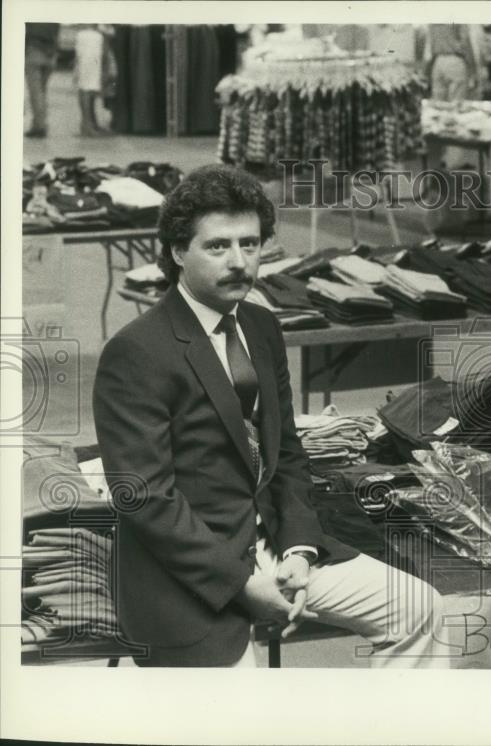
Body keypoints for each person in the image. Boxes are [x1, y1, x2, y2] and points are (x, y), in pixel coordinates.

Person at [93, 165, 449, 667]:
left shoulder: (260, 325)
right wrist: (241, 582)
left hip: (276, 544)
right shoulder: (136, 352)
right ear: (177, 252)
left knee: (419, 608)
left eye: (251, 244)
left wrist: (301, 549)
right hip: (192, 570)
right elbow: (145, 498)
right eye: (218, 246)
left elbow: (287, 455)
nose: (239, 262)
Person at [74, 24, 111, 136]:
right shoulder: (94, 35)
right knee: (87, 89)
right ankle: (87, 125)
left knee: (89, 89)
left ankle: (90, 123)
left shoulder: (84, 35)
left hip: (90, 47)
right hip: (91, 47)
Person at [24, 23, 60, 138]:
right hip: (50, 55)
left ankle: (40, 127)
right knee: (42, 92)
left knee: (36, 93)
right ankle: (38, 124)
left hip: (34, 52)